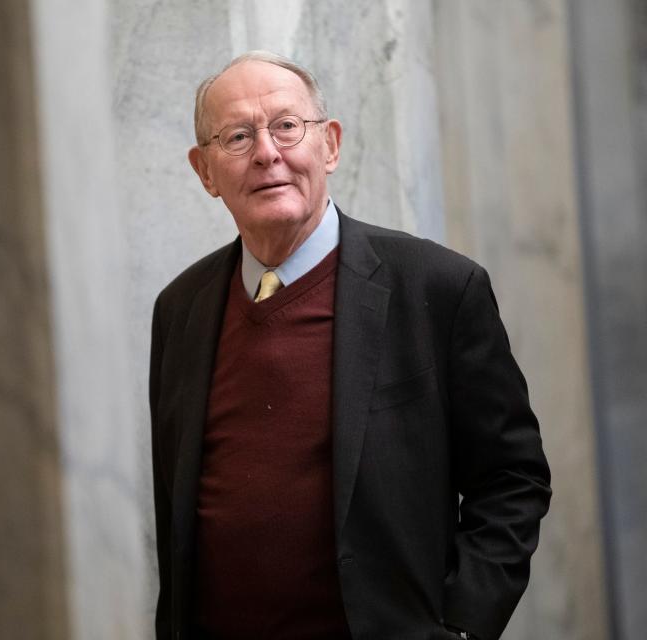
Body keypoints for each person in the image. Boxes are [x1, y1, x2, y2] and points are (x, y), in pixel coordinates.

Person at [148, 51, 551, 640]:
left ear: (330, 145)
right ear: (205, 171)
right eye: (237, 136)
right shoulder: (179, 310)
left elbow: (513, 479)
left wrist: (462, 625)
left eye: (287, 126)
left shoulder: (436, 287)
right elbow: (173, 507)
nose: (267, 153)